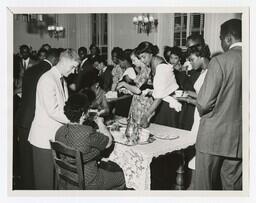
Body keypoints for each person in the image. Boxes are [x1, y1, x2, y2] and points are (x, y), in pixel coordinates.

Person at [194, 19, 242, 190]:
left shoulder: (220, 61)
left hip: (212, 138)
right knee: (232, 190)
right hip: (239, 140)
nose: (221, 42)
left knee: (204, 190)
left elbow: (204, 103)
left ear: (228, 38)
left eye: (221, 38)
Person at [28, 49, 80, 189]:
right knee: (44, 184)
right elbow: (53, 111)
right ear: (63, 62)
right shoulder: (47, 79)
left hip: (55, 138)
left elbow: (65, 107)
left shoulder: (61, 80)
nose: (74, 71)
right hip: (43, 140)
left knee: (55, 182)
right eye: (73, 67)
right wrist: (75, 120)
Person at [55, 93, 126, 190]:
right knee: (121, 176)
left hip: (67, 179)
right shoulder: (87, 132)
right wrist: (100, 123)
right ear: (83, 114)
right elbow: (109, 141)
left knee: (106, 165)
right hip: (89, 181)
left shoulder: (60, 131)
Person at [14, 48, 60, 189]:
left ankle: (27, 191)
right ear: (54, 60)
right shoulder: (49, 74)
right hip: (35, 121)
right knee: (39, 165)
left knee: (26, 161)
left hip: (22, 118)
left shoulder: (31, 69)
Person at [135, 41, 181, 128]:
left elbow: (159, 97)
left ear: (151, 54)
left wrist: (146, 115)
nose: (142, 61)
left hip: (167, 108)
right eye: (140, 58)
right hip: (162, 105)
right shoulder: (156, 62)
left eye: (143, 57)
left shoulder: (161, 68)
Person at [117, 50, 153, 124]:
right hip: (138, 102)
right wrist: (129, 90)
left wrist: (124, 84)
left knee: (139, 126)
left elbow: (138, 91)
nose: (133, 62)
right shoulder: (142, 70)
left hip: (142, 104)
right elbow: (141, 88)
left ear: (140, 58)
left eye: (134, 60)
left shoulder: (146, 71)